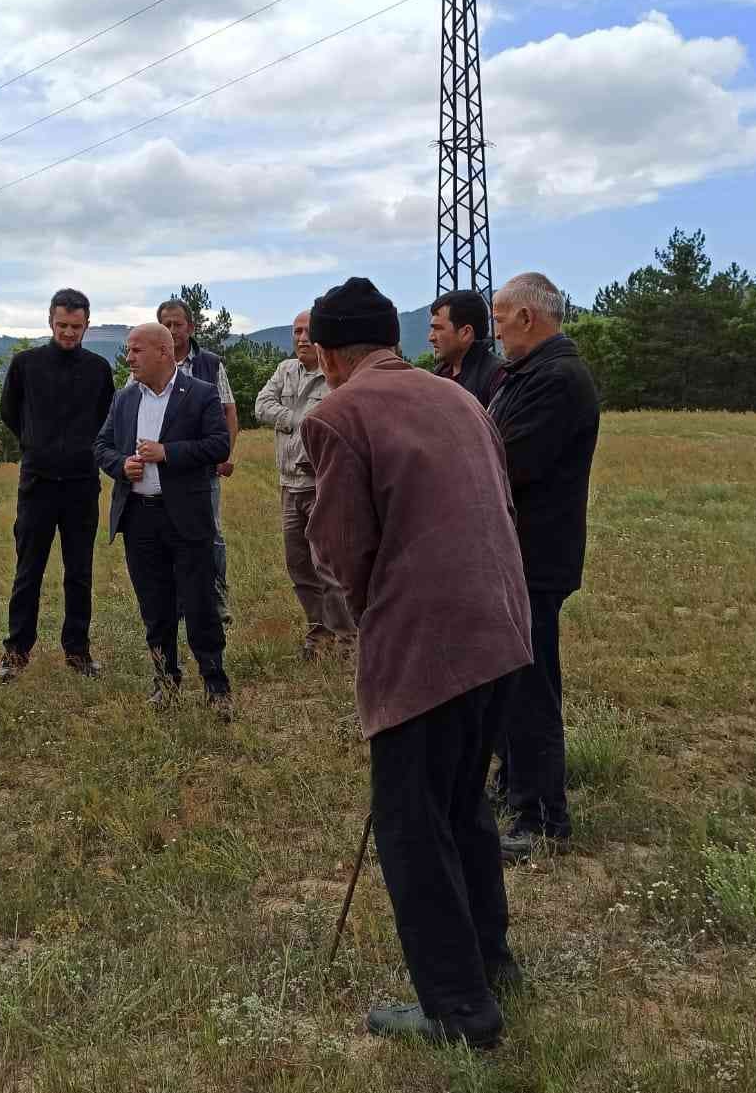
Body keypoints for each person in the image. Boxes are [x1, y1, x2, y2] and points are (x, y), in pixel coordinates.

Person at [302, 277, 532, 1049]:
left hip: (428, 644)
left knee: (410, 825)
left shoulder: (337, 413)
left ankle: (460, 1009)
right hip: (502, 628)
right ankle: (490, 961)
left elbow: (341, 549)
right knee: (464, 802)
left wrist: (378, 612)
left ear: (331, 355)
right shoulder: (461, 396)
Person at [487, 272, 601, 863]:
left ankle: (543, 820)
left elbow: (502, 458)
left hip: (535, 556)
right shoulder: (527, 373)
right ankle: (515, 786)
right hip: (516, 553)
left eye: (501, 321)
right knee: (510, 681)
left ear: (528, 318)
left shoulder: (556, 378)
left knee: (531, 688)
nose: (496, 331)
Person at [96, 323, 234, 719]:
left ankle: (215, 683)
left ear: (163, 352)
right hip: (139, 518)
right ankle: (165, 680)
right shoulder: (124, 399)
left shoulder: (201, 395)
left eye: (136, 350)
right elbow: (101, 446)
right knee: (154, 605)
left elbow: (218, 445)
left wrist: (166, 452)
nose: (129, 358)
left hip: (187, 518)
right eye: (128, 350)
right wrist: (121, 466)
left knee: (200, 601)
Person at [0, 289, 116, 682]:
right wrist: (37, 444)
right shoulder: (25, 364)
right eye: (62, 325)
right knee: (28, 569)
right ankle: (15, 652)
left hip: (82, 484)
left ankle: (78, 652)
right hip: (38, 483)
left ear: (87, 324)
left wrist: (82, 451)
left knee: (79, 571)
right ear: (50, 321)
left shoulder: (99, 369)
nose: (69, 333)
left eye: (76, 327)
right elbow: (10, 412)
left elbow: (106, 420)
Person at [253, 310, 354, 659]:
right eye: (296, 331)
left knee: (328, 564)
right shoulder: (286, 370)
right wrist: (295, 419)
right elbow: (261, 405)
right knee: (299, 565)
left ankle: (347, 640)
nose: (301, 338)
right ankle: (318, 633)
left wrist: (296, 421)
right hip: (288, 483)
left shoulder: (336, 376)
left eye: (308, 331)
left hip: (322, 484)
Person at [156, 298, 237, 624]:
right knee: (167, 533)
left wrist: (225, 453)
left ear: (191, 327)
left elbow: (229, 411)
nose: (172, 330)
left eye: (178, 324)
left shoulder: (211, 363)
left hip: (203, 467)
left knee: (211, 534)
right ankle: (175, 602)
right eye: (166, 324)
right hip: (162, 468)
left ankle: (216, 602)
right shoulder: (150, 360)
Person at [428, 290, 504, 407]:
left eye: (438, 328)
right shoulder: (438, 374)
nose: (431, 337)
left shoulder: (498, 377)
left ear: (466, 333)